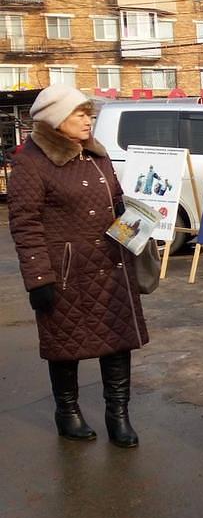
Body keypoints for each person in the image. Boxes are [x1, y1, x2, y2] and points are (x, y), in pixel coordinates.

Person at [8, 85, 148, 447]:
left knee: (117, 342)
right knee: (65, 342)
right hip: (66, 271)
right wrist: (38, 278)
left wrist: (133, 219)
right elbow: (25, 223)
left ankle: (118, 416)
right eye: (79, 113)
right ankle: (66, 412)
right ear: (55, 120)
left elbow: (115, 198)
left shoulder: (96, 155)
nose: (89, 120)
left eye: (89, 113)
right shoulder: (31, 161)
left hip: (111, 263)